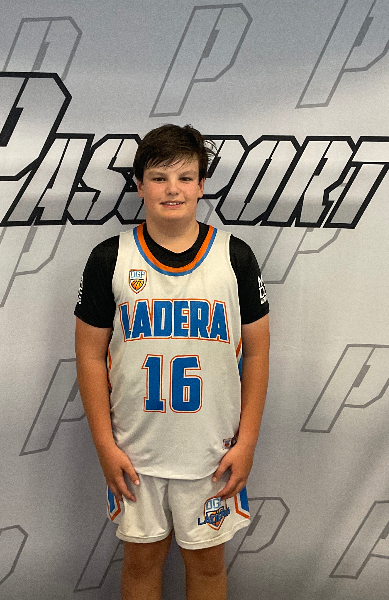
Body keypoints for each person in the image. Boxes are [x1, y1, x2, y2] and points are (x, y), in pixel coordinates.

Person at [74, 124, 270, 600]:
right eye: (159, 177)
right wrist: (104, 445)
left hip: (211, 455)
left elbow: (258, 352)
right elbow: (89, 354)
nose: (172, 189)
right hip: (134, 454)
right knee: (141, 563)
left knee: (207, 566)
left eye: (185, 177)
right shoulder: (110, 258)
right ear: (139, 185)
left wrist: (246, 443)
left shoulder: (234, 257)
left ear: (202, 185)